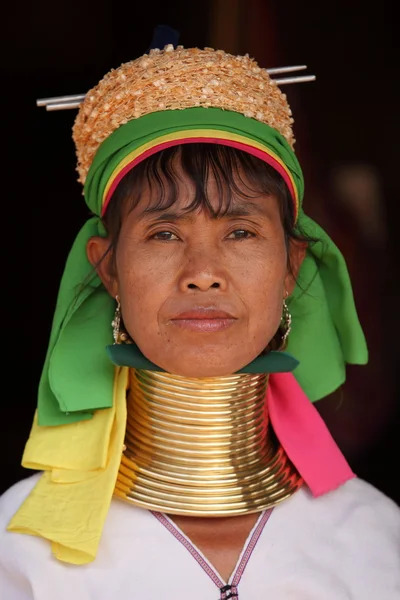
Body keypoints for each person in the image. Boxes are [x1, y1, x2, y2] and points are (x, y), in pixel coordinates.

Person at [0, 44, 399, 599]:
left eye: (241, 232)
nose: (203, 274)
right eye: (164, 234)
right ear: (108, 269)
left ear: (291, 267)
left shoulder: (378, 540)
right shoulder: (18, 547)